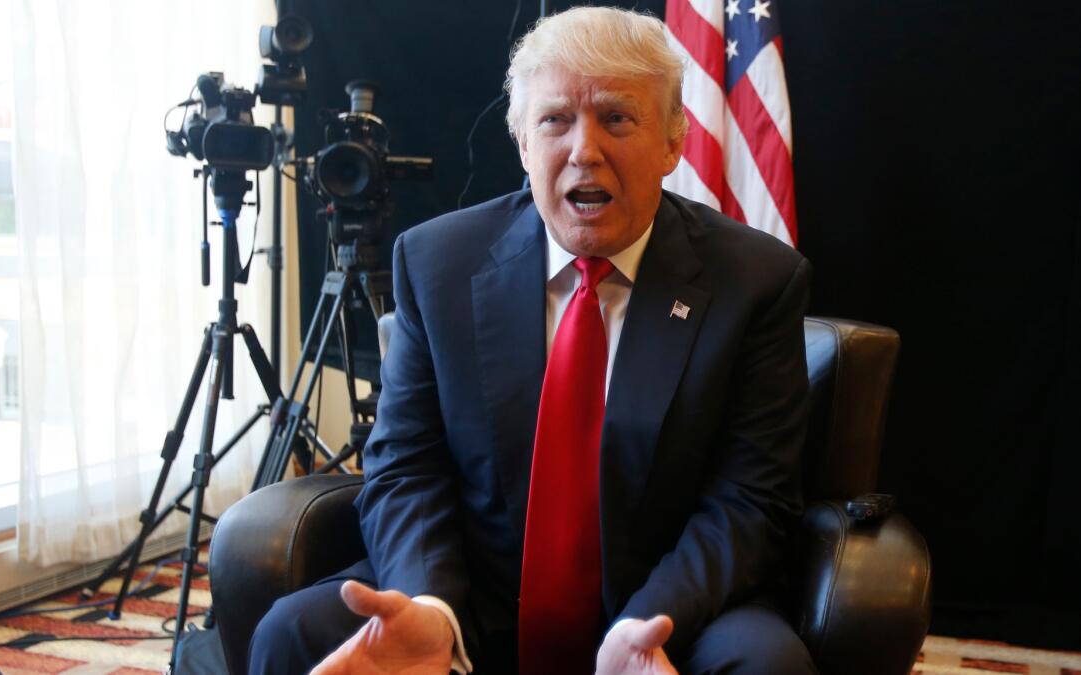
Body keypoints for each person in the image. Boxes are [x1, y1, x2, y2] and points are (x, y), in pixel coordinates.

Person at [249, 6, 815, 674]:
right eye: (555, 120)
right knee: (291, 632)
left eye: (616, 118)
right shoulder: (438, 264)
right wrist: (430, 605)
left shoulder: (755, 282)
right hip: (473, 606)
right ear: (522, 143)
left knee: (767, 663)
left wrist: (649, 619)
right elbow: (406, 466)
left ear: (672, 142)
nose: (584, 150)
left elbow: (749, 501)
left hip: (669, 609)